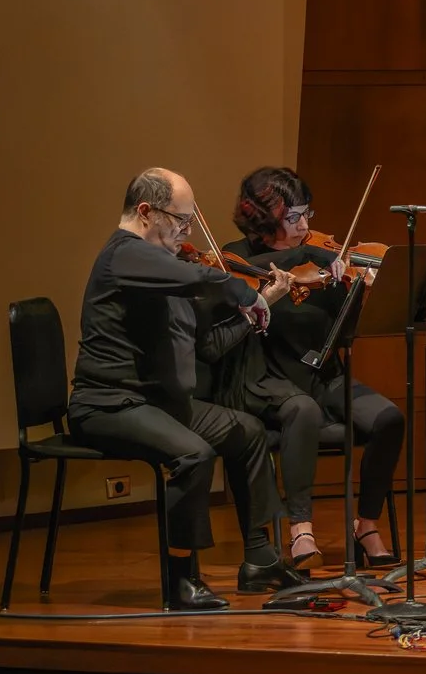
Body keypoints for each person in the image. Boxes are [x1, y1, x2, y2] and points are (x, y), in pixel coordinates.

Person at [69, 168, 306, 609]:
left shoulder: (165, 271)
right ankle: (181, 579)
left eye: (190, 221)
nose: (187, 231)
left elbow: (208, 347)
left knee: (247, 432)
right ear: (145, 211)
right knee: (193, 454)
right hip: (110, 404)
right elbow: (203, 279)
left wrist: (259, 309)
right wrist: (245, 293)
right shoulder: (125, 254)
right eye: (180, 220)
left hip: (160, 404)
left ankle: (260, 559)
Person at [218, 166, 405, 569]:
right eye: (293, 217)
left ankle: (366, 525)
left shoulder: (325, 256)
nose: (304, 226)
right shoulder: (236, 258)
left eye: (307, 213)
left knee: (389, 418)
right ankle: (301, 529)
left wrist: (354, 289)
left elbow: (342, 333)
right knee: (302, 411)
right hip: (269, 379)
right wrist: (306, 256)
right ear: (264, 218)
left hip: (323, 375)